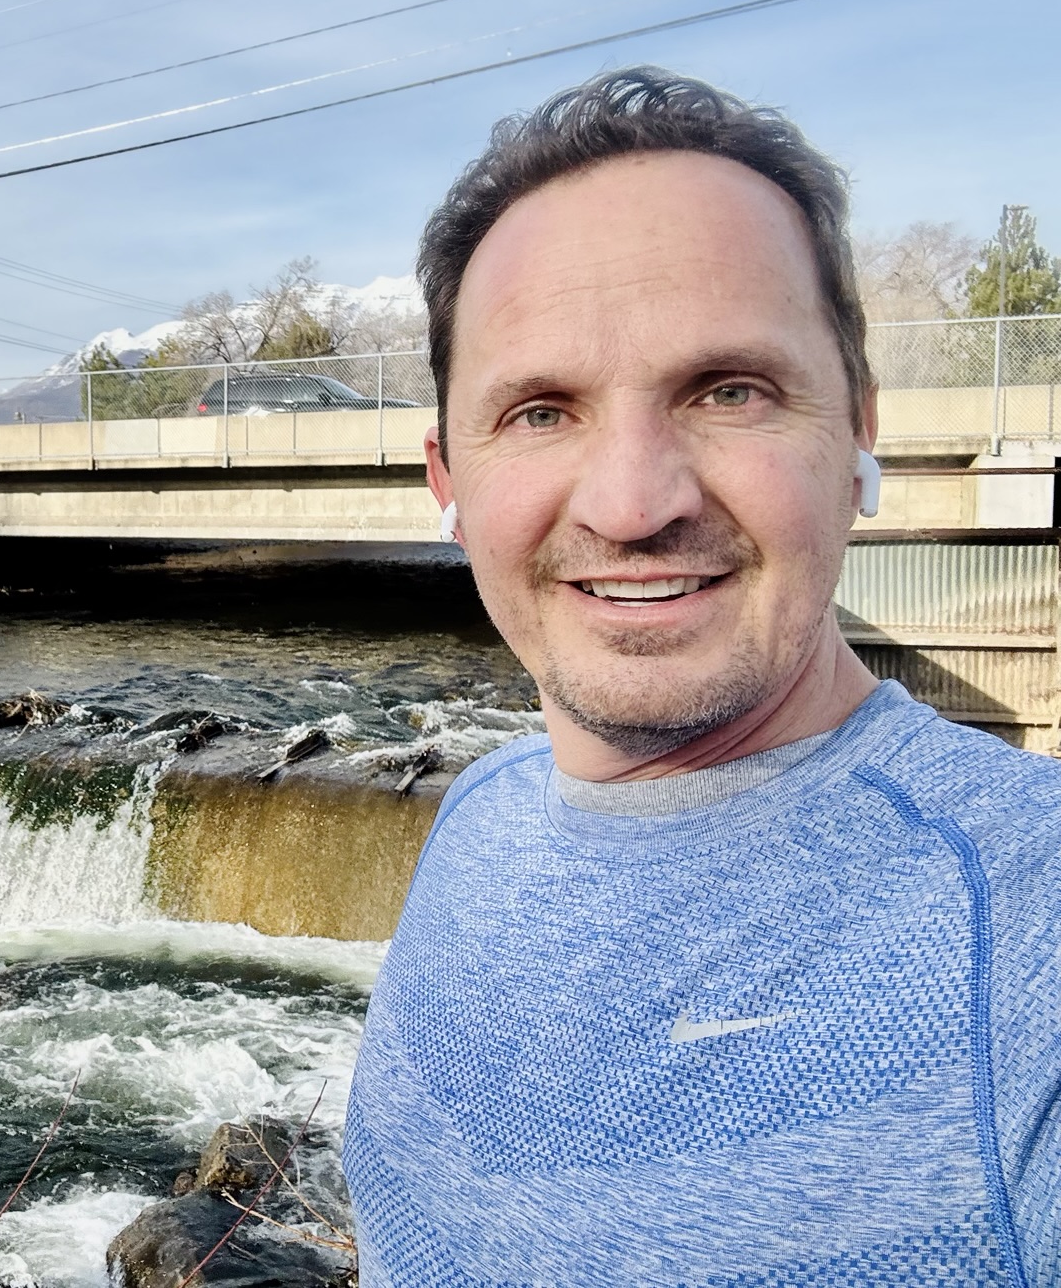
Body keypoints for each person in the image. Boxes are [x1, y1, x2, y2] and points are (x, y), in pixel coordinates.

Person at [342, 69, 1059, 1285]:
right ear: (445, 480)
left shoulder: (1026, 928)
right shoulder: (477, 813)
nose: (631, 502)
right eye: (537, 411)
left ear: (854, 436)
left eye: (728, 392)